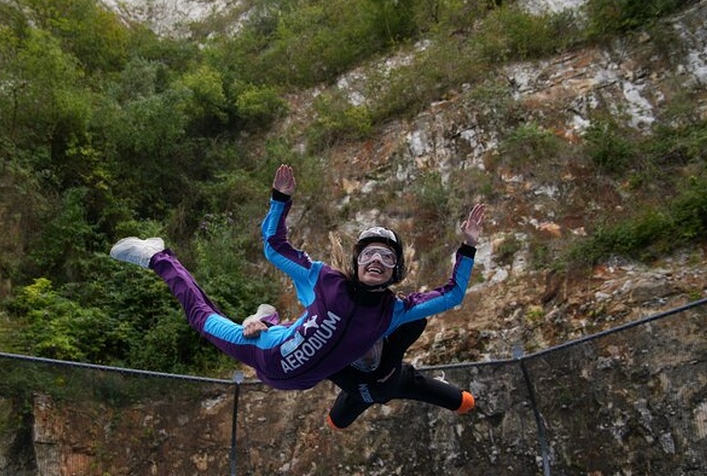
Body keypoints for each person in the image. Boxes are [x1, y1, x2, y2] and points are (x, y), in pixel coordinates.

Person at [110, 164, 485, 391]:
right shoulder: (326, 280)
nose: (377, 260)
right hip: (263, 348)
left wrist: (467, 247)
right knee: (201, 318)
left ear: (395, 271)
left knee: (303, 321)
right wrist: (280, 199)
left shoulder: (393, 312)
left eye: (387, 257)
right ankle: (157, 256)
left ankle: (267, 315)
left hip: (298, 381)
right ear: (356, 261)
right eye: (369, 253)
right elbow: (275, 246)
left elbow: (452, 294)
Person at [242, 312, 475, 429]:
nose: (365, 353)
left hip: (399, 381)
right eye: (357, 348)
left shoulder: (392, 345)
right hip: (361, 392)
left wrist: (396, 308)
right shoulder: (331, 357)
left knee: (465, 402)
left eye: (370, 344)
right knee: (336, 422)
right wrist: (264, 325)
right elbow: (294, 337)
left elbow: (418, 318)